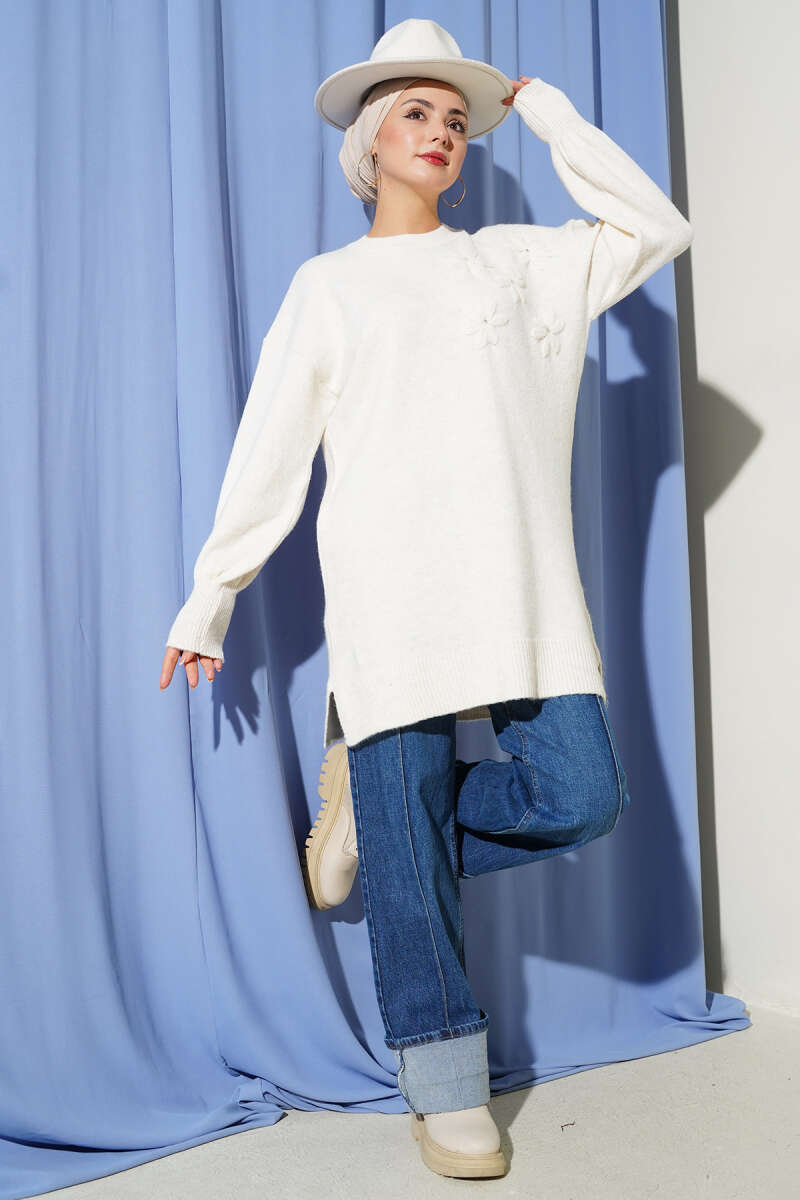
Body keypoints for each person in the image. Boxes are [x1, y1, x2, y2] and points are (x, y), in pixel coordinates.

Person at [159, 17, 693, 1181]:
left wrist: (541, 110)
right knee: (409, 833)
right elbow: (268, 450)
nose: (441, 130)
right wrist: (211, 597)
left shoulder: (519, 263)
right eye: (415, 111)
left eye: (455, 118)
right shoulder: (329, 288)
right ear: (368, 141)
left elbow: (655, 227)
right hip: (391, 599)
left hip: (522, 590)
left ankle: (379, 821)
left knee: (581, 797)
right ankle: (445, 1084)